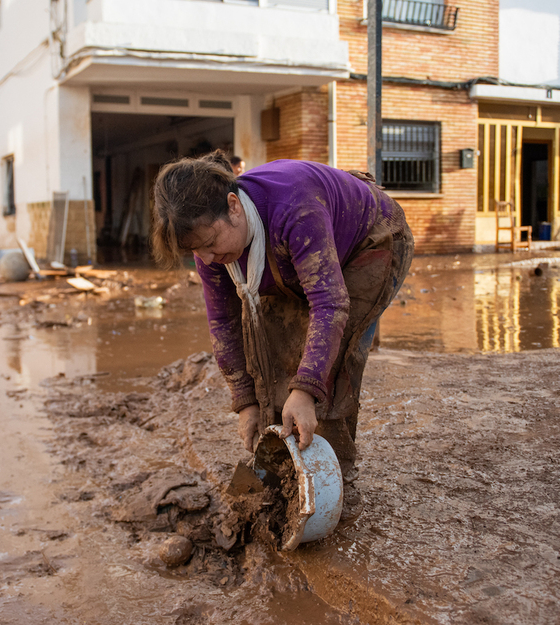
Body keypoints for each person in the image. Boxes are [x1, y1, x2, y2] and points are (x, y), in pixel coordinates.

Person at [151, 151, 413, 519]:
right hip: (289, 252)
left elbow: (330, 304)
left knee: (327, 365)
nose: (207, 259)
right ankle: (281, 469)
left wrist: (305, 390)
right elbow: (224, 324)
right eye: (196, 251)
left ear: (234, 206)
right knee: (273, 353)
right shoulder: (208, 244)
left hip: (368, 241)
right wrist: (245, 402)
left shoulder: (295, 208)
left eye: (210, 244)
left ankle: (327, 483)